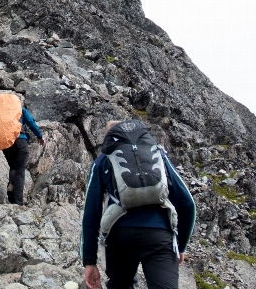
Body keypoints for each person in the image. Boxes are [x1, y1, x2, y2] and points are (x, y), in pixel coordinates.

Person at [80, 119, 196, 289]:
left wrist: (89, 260)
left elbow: (91, 213)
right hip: (159, 235)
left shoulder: (103, 160)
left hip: (120, 236)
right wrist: (180, 245)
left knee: (120, 284)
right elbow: (187, 203)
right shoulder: (157, 154)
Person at [0, 100, 45, 205]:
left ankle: (11, 187)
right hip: (20, 141)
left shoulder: (1, 114)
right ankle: (18, 202)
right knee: (20, 171)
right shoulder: (20, 110)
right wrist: (39, 136)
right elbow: (31, 123)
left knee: (13, 167)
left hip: (6, 143)